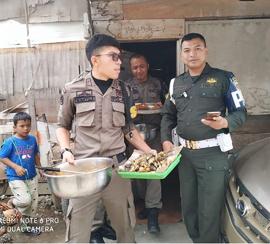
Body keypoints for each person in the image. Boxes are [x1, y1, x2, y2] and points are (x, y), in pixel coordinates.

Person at [56, 33, 156, 243]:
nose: (120, 62)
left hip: (116, 170)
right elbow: (62, 127)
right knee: (77, 232)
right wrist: (65, 150)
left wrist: (149, 151)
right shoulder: (73, 89)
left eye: (120, 57)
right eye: (114, 57)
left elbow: (129, 128)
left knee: (126, 229)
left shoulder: (124, 90)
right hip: (84, 171)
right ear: (95, 59)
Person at [161, 33, 247, 243]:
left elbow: (241, 112)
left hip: (213, 154)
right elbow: (167, 115)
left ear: (206, 51)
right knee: (188, 206)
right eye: (187, 50)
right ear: (181, 55)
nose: (193, 54)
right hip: (184, 155)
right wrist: (166, 141)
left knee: (209, 208)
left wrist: (225, 123)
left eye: (198, 48)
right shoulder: (175, 84)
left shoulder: (223, 78)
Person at [126, 53, 163, 233]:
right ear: (131, 69)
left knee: (154, 172)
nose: (139, 70)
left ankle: (153, 211)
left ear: (147, 65)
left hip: (154, 135)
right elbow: (123, 114)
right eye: (135, 67)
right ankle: (144, 204)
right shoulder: (126, 86)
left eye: (142, 66)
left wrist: (160, 107)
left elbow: (169, 107)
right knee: (137, 172)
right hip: (133, 137)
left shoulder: (158, 83)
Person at [0, 112, 42, 236]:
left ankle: (25, 227)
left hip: (31, 176)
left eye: (28, 125)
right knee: (24, 200)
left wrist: (40, 168)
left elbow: (35, 154)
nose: (26, 128)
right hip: (15, 177)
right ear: (14, 128)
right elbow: (2, 156)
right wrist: (16, 166)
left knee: (32, 203)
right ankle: (13, 201)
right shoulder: (10, 142)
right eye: (22, 126)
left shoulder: (33, 139)